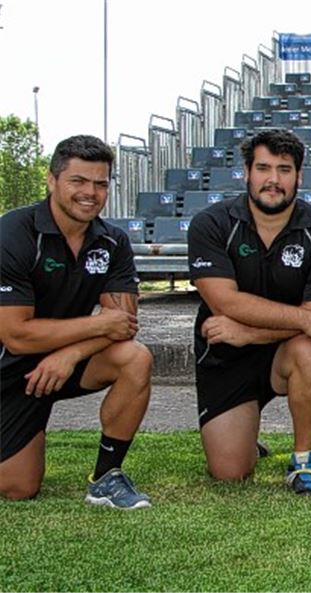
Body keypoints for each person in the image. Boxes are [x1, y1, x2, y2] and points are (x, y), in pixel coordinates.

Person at [187, 128, 311, 495]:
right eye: (263, 168)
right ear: (246, 172)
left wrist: (249, 332)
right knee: (230, 471)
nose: (273, 180)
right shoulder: (211, 223)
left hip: (283, 354)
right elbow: (224, 303)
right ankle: (243, 438)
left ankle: (302, 462)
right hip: (225, 357)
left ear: (299, 176)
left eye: (285, 170)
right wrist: (305, 320)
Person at [0, 135, 153, 509]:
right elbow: (16, 334)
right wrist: (95, 327)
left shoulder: (112, 241)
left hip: (64, 361)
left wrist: (70, 353)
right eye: (78, 181)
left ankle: (105, 478)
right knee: (19, 487)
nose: (90, 193)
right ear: (52, 181)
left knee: (134, 357)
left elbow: (124, 323)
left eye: (100, 184)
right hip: (9, 368)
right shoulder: (13, 233)